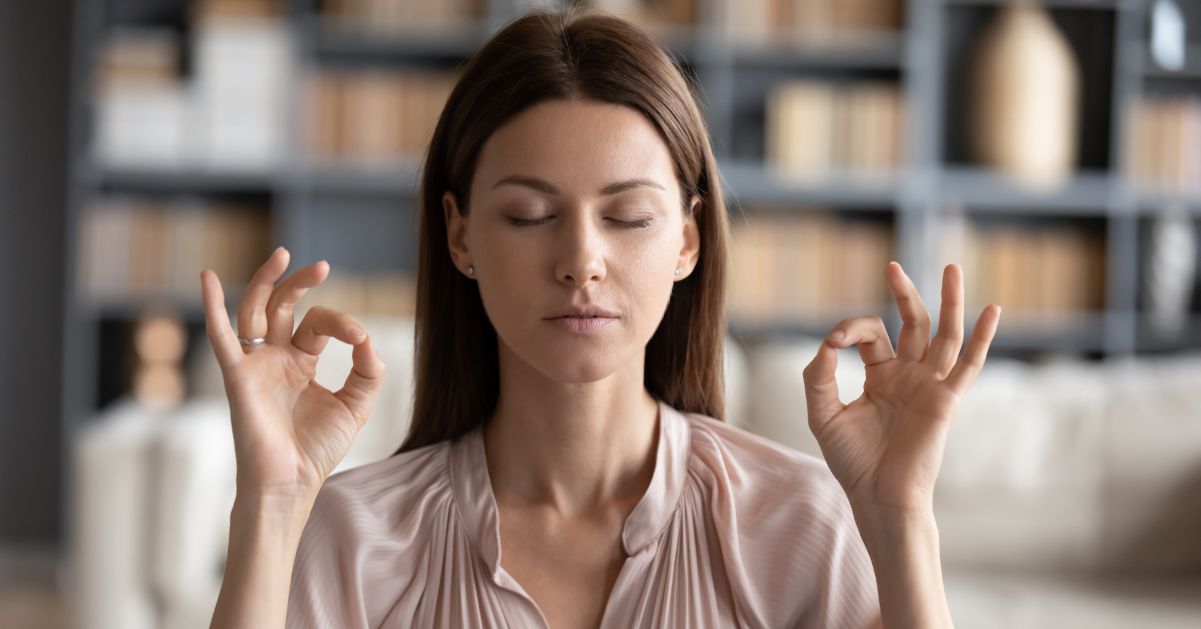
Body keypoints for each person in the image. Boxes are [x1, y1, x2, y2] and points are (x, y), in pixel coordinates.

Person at [201, 7, 1000, 629]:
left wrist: (899, 518)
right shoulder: (358, 533)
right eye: (526, 214)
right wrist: (271, 500)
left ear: (687, 240)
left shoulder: (793, 522)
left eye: (627, 218)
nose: (581, 260)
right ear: (460, 235)